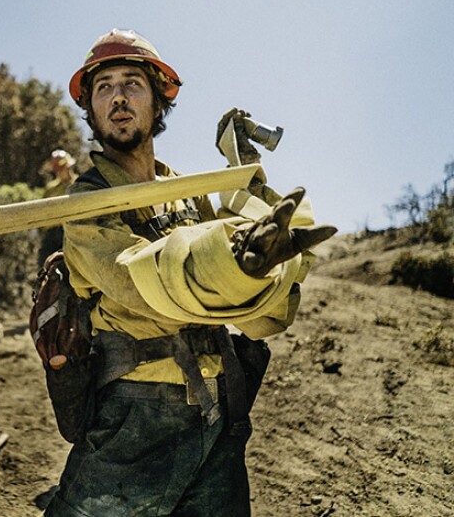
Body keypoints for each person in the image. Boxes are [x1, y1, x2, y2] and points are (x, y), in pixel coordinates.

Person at [44, 29, 337, 516]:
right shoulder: (87, 202)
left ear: (159, 103)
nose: (118, 96)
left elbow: (262, 310)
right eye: (103, 87)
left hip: (219, 407)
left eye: (133, 83)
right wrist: (230, 265)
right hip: (136, 415)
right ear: (91, 110)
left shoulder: (186, 190)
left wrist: (246, 182)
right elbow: (138, 279)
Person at [37, 150, 79, 264]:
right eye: (59, 170)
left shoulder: (79, 184)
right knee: (44, 263)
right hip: (51, 232)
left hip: (73, 230)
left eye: (64, 168)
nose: (62, 172)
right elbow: (41, 210)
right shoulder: (51, 188)